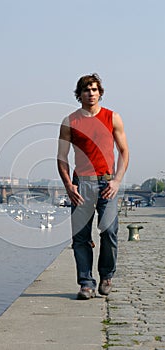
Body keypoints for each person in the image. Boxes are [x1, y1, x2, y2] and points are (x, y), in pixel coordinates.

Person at [57, 73, 129, 300]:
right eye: (87, 90)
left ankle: (107, 275)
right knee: (80, 237)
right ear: (79, 94)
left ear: (100, 93)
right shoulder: (70, 121)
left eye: (95, 89)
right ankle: (86, 283)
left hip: (107, 184)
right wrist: (69, 185)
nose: (91, 93)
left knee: (108, 231)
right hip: (82, 185)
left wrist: (117, 180)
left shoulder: (112, 117)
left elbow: (124, 152)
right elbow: (61, 156)